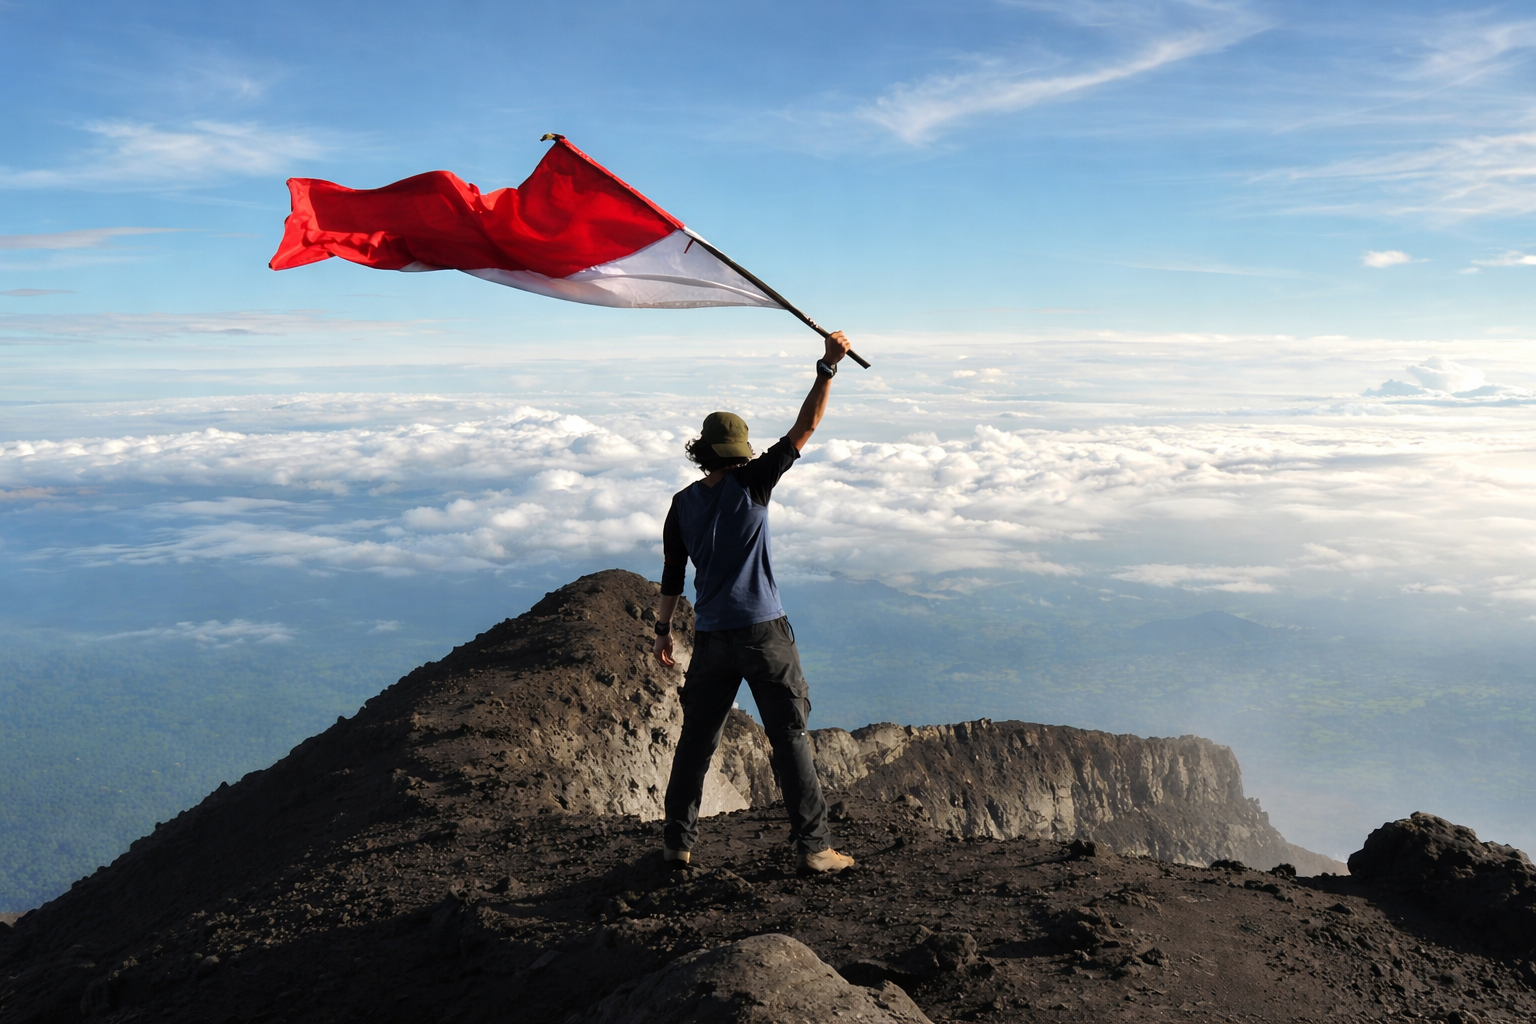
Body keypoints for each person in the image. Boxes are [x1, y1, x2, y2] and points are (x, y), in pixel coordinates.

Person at [651, 330, 856, 874]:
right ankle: (814, 849)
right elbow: (806, 427)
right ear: (739, 451)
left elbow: (673, 573)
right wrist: (827, 368)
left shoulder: (681, 505)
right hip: (765, 632)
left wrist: (663, 630)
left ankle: (677, 843)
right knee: (789, 738)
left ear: (703, 451)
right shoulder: (754, 482)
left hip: (713, 637)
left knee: (696, 742)